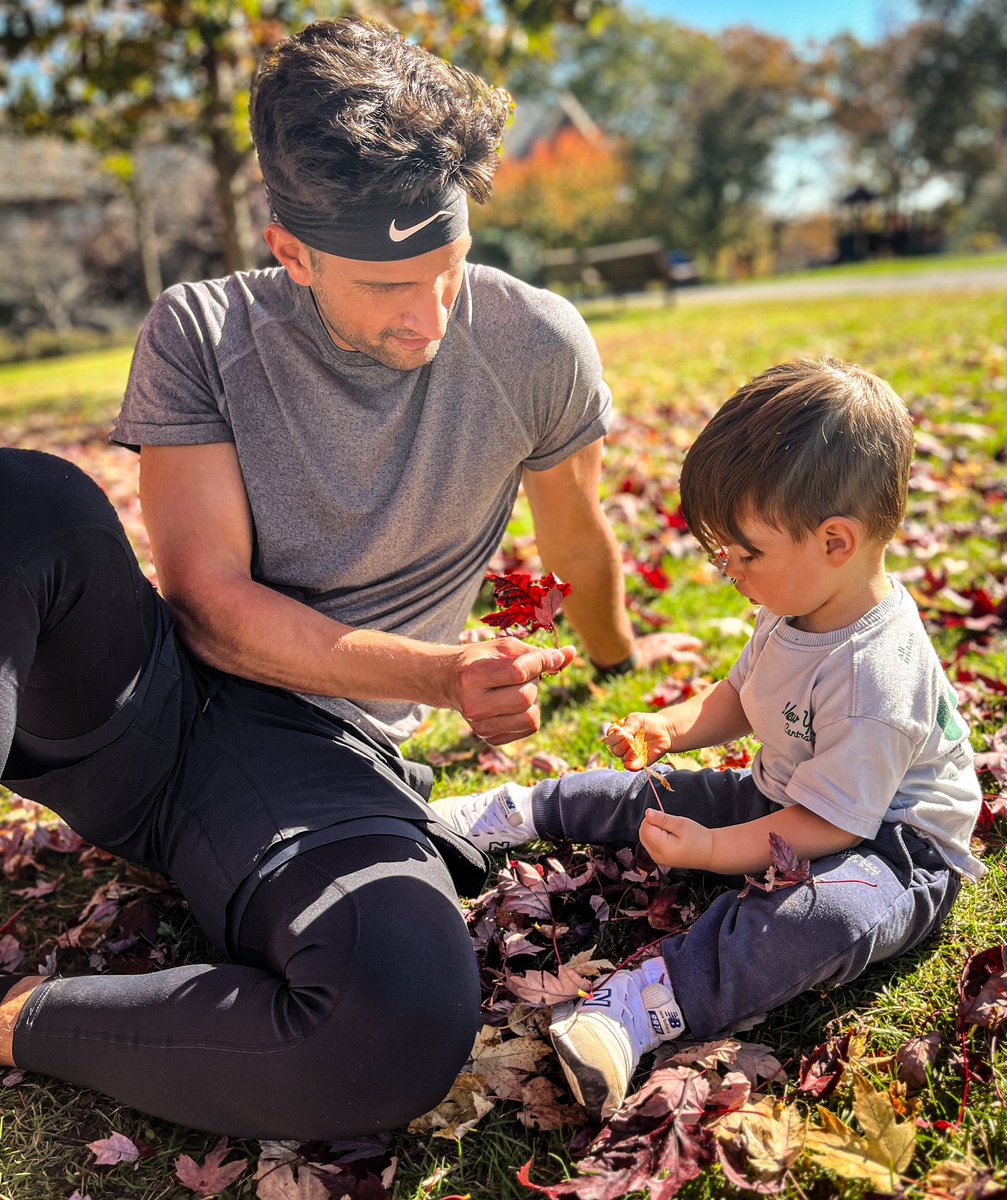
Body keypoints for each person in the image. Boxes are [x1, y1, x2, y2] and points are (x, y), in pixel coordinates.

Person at [0, 16, 696, 1138]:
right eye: (385, 284)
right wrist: (437, 674)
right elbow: (209, 606)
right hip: (157, 709)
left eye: (447, 268)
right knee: (24, 499)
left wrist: (617, 658)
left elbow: (575, 541)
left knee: (397, 1019)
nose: (426, 315)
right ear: (295, 253)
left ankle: (26, 1021)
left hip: (321, 760)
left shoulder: (536, 345)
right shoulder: (201, 330)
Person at [434, 357, 985, 1121]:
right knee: (656, 799)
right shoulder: (797, 602)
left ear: (835, 541)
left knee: (823, 920)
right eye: (720, 551)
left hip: (892, 846)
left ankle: (636, 1009)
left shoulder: (875, 686)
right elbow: (740, 696)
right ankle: (513, 810)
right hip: (791, 793)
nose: (727, 569)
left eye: (744, 553)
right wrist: (671, 728)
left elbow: (830, 826)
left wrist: (713, 851)